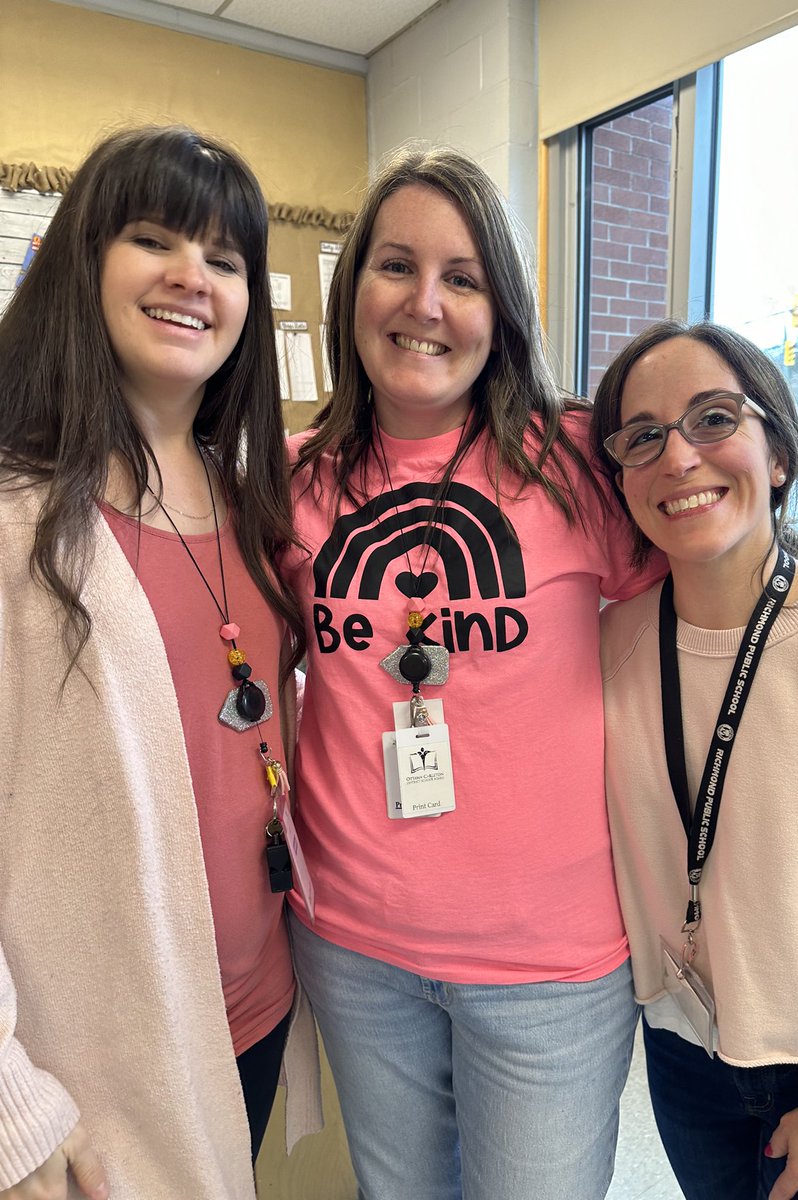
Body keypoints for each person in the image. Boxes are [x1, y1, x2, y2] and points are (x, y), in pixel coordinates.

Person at [282, 145, 665, 1200]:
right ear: (351, 287)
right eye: (396, 266)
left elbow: (706, 613)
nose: (426, 303)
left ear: (502, 309)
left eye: (463, 277)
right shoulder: (291, 479)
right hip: (354, 945)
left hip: (553, 965)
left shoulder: (579, 464)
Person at [0, 125, 321, 1200]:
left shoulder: (252, 504)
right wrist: (16, 1111)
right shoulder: (16, 516)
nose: (193, 277)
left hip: (256, 1002)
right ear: (85, 260)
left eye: (225, 260)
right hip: (91, 1057)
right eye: (153, 240)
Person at [591, 319, 798, 1200]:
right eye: (643, 436)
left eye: (714, 418)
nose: (678, 457)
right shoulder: (609, 646)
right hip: (686, 1059)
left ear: (779, 455)